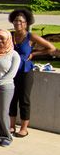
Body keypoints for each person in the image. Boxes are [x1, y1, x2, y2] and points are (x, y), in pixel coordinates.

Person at [8, 8, 56, 138]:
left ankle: (24, 128)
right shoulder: (10, 35)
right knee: (11, 98)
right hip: (11, 71)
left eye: (20, 21)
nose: (17, 23)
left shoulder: (31, 37)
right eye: (15, 21)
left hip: (25, 71)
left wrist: (34, 53)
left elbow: (51, 48)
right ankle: (11, 125)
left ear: (26, 23)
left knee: (24, 99)